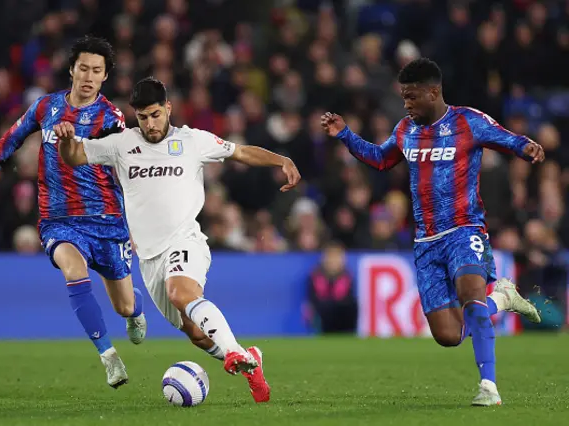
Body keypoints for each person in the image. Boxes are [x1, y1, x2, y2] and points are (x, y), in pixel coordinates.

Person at [53, 77, 301, 403]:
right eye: (142, 117)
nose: (150, 124)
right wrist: (66, 141)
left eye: (155, 115)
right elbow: (76, 157)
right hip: (149, 258)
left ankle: (232, 354)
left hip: (185, 240)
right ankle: (247, 359)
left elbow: (240, 152)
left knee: (181, 290)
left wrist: (281, 160)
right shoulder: (121, 144)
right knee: (196, 333)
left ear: (168, 108)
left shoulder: (192, 141)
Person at [321, 58, 544, 406]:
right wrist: (346, 135)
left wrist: (526, 147)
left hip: (464, 228)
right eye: (403, 98)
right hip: (425, 242)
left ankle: (489, 386)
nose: (406, 104)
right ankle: (502, 298)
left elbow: (505, 138)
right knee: (448, 335)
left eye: (411, 97)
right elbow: (381, 159)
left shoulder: (467, 121)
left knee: (471, 292)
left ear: (433, 92)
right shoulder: (405, 130)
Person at [0, 36, 147, 389]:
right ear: (71, 69)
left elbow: (117, 154)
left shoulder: (111, 116)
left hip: (106, 219)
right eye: (83, 68)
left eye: (97, 70)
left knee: (123, 305)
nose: (89, 76)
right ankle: (109, 357)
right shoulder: (46, 107)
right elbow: (16, 133)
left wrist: (73, 141)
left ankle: (135, 311)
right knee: (74, 272)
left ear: (105, 76)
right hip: (58, 219)